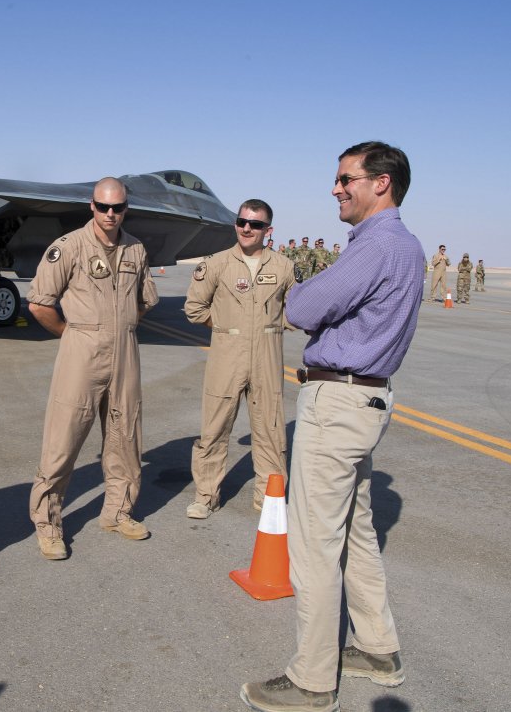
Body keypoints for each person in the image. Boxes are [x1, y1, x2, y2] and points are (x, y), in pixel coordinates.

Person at [241, 141, 423, 712]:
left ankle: (312, 681)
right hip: (366, 404)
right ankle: (377, 649)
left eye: (347, 179)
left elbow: (303, 307)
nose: (336, 188)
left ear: (381, 184)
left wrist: (304, 295)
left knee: (314, 545)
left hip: (339, 404)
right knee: (356, 533)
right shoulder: (407, 246)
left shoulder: (377, 246)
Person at [27, 177, 158, 560]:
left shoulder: (136, 249)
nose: (110, 214)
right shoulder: (68, 247)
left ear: (125, 208)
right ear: (92, 206)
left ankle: (117, 512)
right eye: (103, 207)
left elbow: (145, 299)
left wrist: (121, 327)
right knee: (62, 440)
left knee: (125, 436)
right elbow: (39, 304)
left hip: (125, 351)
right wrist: (73, 335)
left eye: (117, 207)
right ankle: (48, 523)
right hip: (81, 351)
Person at [183, 199, 295, 518]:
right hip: (226, 358)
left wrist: (272, 327)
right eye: (242, 221)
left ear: (267, 230)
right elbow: (195, 308)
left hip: (267, 361)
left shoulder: (284, 267)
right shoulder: (216, 264)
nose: (247, 228)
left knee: (271, 432)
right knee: (214, 429)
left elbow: (294, 310)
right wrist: (223, 326)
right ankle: (206, 496)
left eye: (255, 224)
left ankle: (269, 498)